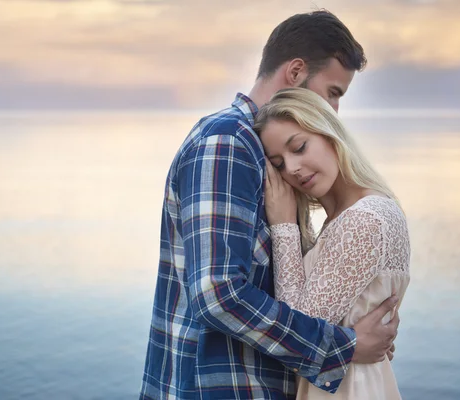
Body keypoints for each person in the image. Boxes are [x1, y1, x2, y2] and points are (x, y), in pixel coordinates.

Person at [140, 11, 399, 400]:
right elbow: (218, 293)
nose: (333, 111)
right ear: (295, 72)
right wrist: (342, 347)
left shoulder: (261, 149)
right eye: (332, 92)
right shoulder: (227, 143)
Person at [256, 87, 411, 399]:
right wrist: (354, 341)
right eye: (279, 164)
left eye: (299, 147)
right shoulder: (349, 217)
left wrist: (284, 226)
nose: (293, 169)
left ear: (329, 132)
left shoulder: (364, 219)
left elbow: (297, 331)